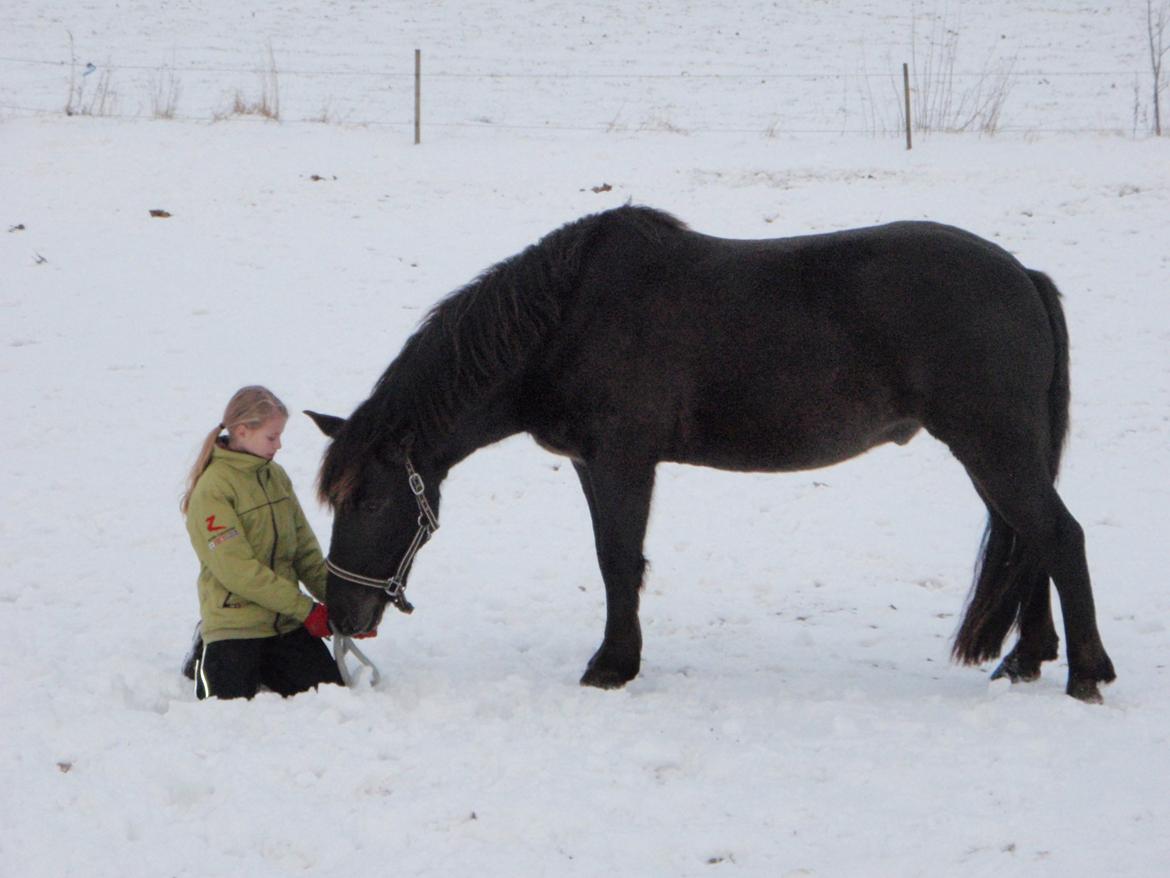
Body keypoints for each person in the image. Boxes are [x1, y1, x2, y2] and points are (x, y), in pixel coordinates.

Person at [180, 385, 353, 699]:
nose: (279, 445)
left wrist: (344, 608)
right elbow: (238, 571)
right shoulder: (213, 490)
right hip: (235, 624)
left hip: (285, 624)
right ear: (243, 432)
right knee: (225, 707)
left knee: (329, 693)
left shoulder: (276, 477)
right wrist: (306, 610)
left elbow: (304, 551)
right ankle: (205, 648)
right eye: (272, 437)